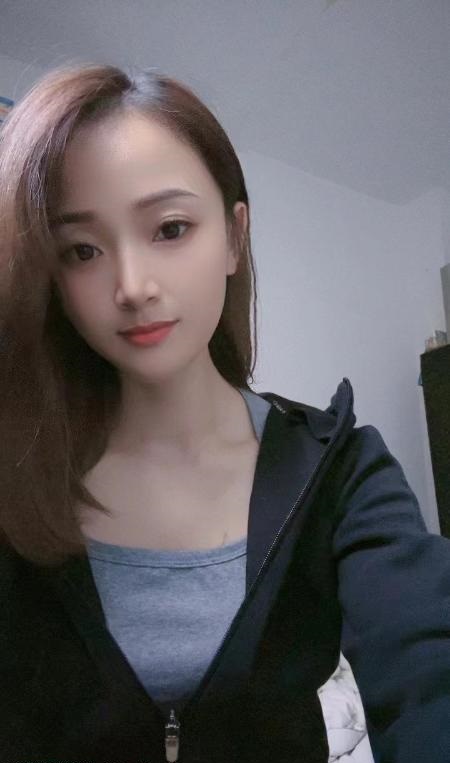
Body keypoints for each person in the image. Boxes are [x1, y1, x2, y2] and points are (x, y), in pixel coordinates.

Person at [0, 62, 449, 763]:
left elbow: (428, 668)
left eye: (170, 228)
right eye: (83, 250)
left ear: (235, 237)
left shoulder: (341, 469)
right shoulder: (19, 476)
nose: (132, 286)